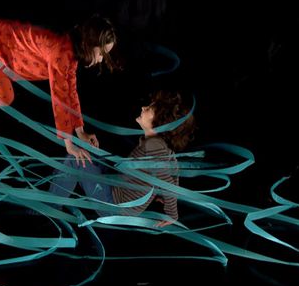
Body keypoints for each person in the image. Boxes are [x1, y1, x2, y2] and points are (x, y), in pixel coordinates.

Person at [0, 15, 117, 165]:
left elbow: (70, 91)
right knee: (3, 95)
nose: (101, 59)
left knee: (5, 95)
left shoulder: (70, 54)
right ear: (89, 44)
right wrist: (69, 144)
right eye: (102, 53)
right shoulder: (61, 52)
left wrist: (80, 131)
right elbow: (60, 97)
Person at [48, 90, 195, 227]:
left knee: (75, 160)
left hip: (113, 206)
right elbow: (173, 167)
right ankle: (55, 194)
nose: (143, 107)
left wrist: (172, 214)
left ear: (159, 123)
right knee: (87, 153)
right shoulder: (160, 146)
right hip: (118, 187)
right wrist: (162, 195)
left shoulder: (154, 145)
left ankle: (50, 209)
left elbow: (167, 181)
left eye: (149, 109)